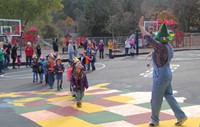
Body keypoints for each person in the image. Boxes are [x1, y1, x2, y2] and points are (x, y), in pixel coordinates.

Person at [139, 16, 187, 127]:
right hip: (167, 72)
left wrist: (141, 26)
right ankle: (181, 116)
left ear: (160, 38)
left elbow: (149, 38)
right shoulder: (169, 47)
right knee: (169, 95)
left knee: (155, 98)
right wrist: (153, 53)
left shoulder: (161, 47)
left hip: (160, 74)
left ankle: (154, 120)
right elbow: (161, 51)